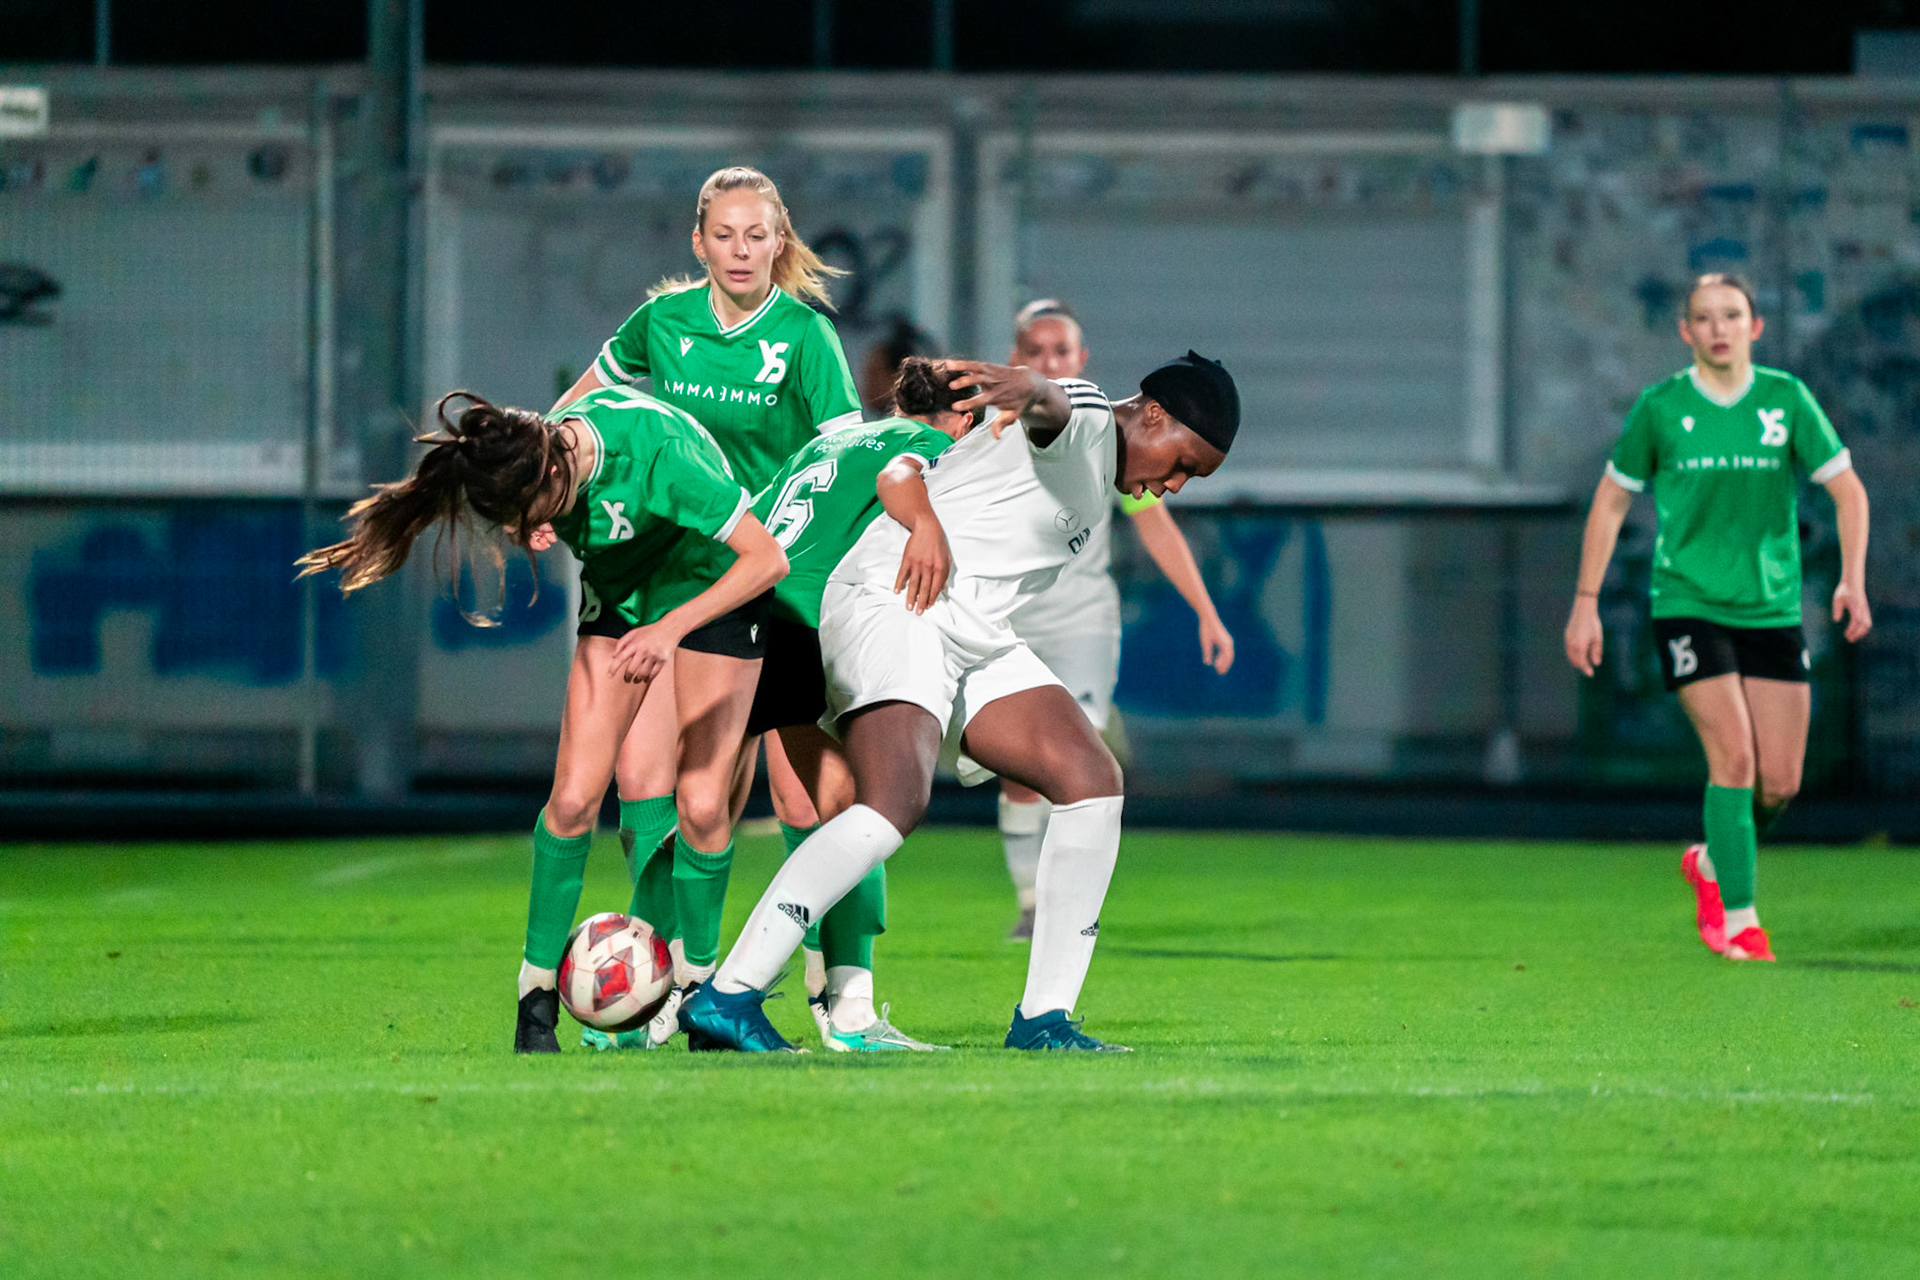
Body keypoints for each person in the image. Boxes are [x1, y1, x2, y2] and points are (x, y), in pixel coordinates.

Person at [680, 350, 1241, 1053]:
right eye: (1184, 462)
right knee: (891, 804)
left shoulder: (1094, 466)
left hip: (970, 628)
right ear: (1154, 415)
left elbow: (899, 470)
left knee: (1091, 780)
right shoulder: (1094, 419)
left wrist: (936, 507)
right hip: (899, 600)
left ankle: (1044, 1020)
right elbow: (1054, 403)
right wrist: (1027, 388)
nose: (1178, 484)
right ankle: (729, 993)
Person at [297, 385, 788, 1053]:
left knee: (702, 807)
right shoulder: (531, 450)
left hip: (714, 588)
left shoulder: (659, 457)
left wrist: (671, 630)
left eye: (524, 513)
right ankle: (535, 995)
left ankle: (701, 991)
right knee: (576, 800)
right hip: (623, 593)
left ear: (555, 470)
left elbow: (768, 559)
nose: (517, 529)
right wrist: (526, 518)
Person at [543, 166, 865, 1048]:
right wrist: (540, 480)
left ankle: (846, 998)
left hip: (765, 577)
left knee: (808, 796)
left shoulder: (803, 337)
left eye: (757, 235)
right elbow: (579, 408)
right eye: (723, 235)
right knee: (651, 790)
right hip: (660, 573)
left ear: (780, 241)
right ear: (699, 242)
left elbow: (844, 451)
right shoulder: (662, 323)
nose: (740, 251)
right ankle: (654, 996)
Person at [1564, 272, 1872, 963]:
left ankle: (1710, 861)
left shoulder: (1785, 400)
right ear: (1686, 331)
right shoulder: (1662, 408)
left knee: (1781, 783)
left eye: (1732, 315)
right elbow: (1611, 502)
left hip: (1770, 608)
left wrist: (1851, 579)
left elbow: (1849, 494)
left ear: (1754, 327)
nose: (1719, 328)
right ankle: (1739, 921)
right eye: (1704, 318)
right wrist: (1585, 605)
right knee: (1733, 757)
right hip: (1688, 605)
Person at [734, 356, 980, 1051]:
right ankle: (843, 1010)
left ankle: (679, 995)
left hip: (744, 620)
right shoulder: (931, 447)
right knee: (868, 815)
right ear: (960, 418)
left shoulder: (825, 442)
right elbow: (901, 491)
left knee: (786, 811)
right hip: (803, 624)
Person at [998, 300, 1236, 938]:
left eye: (1062, 351)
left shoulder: (1107, 435)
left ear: (1082, 360)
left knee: (1077, 763)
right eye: (1036, 351)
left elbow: (1155, 527)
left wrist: (1207, 613)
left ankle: (1060, 914)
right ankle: (1032, 903)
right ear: (1018, 359)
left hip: (1081, 623)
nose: (1049, 361)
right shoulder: (1000, 430)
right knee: (1019, 777)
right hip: (1003, 619)